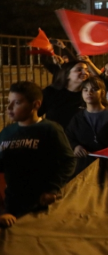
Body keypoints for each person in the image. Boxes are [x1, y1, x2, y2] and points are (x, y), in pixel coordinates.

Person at [0, 82, 76, 228]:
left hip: (41, 204)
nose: (9, 108)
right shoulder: (6, 132)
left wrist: (52, 189)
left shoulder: (50, 129)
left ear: (35, 105)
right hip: (12, 204)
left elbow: (68, 161)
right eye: (9, 102)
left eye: (17, 103)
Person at [38, 60, 90, 129]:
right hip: (55, 136)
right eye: (79, 70)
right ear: (67, 74)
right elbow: (35, 113)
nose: (85, 72)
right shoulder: (51, 92)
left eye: (86, 70)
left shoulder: (89, 94)